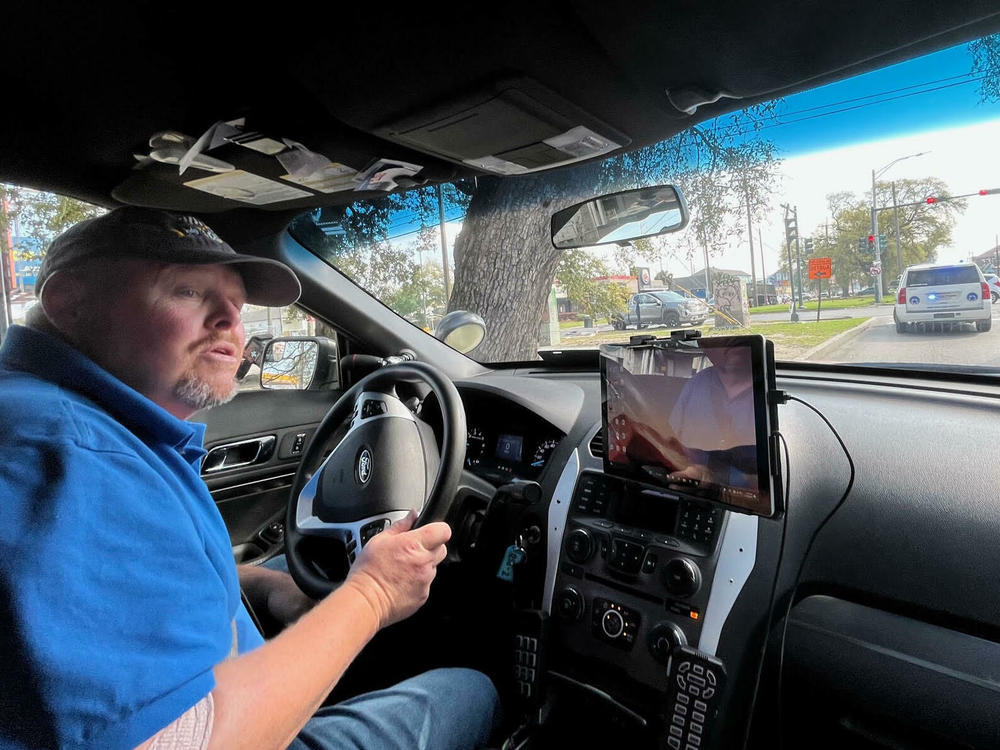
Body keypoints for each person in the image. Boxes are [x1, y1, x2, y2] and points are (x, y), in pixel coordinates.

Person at [0, 207, 499, 749]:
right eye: (189, 292)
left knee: (291, 567)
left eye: (236, 304)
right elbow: (189, 741)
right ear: (70, 303)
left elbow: (117, 587)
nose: (231, 324)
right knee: (471, 689)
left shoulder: (69, 419)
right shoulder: (68, 456)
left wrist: (261, 585)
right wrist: (374, 593)